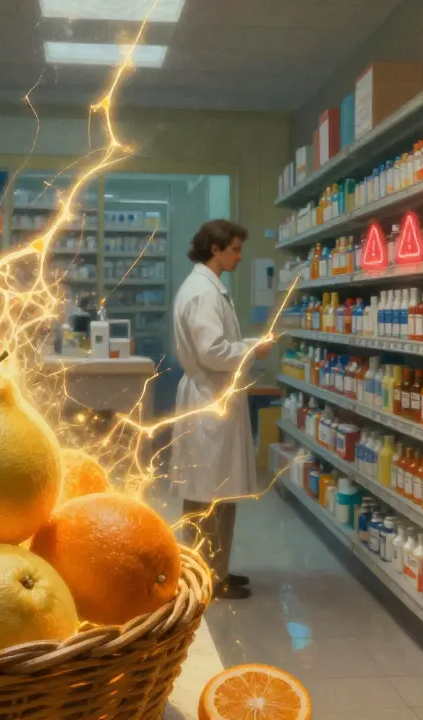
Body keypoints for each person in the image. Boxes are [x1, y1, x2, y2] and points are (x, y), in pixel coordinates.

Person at [169, 219, 269, 600]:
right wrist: (251, 350)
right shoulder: (202, 292)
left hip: (215, 397)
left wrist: (245, 343)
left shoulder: (208, 288)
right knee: (206, 493)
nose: (240, 257)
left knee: (216, 492)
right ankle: (204, 577)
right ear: (216, 249)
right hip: (209, 399)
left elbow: (216, 343)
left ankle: (217, 569)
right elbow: (212, 352)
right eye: (235, 249)